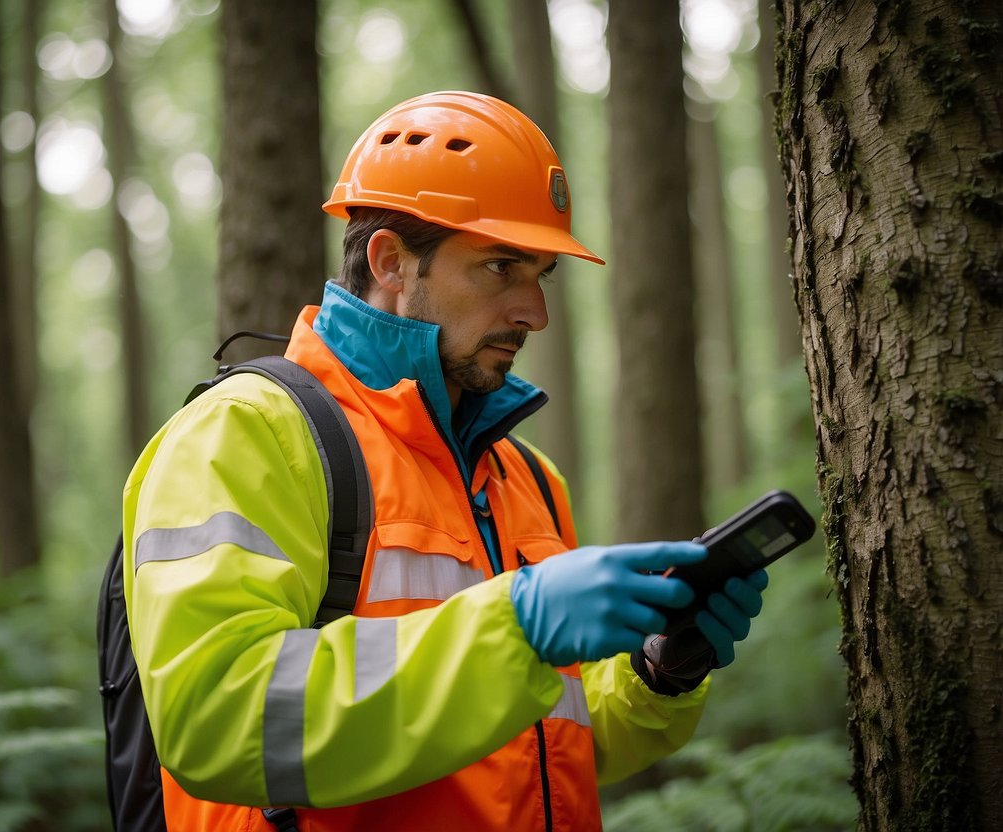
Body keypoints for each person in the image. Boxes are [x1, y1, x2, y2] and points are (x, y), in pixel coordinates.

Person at [123, 90, 768, 831]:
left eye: (540, 276)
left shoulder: (526, 477)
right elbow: (216, 717)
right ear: (390, 262)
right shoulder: (245, 436)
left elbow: (543, 752)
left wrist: (658, 672)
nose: (535, 312)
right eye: (500, 268)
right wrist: (516, 629)